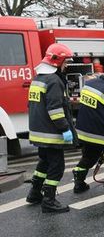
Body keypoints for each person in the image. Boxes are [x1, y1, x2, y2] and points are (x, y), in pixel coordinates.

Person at [26, 43, 76, 213]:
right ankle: (49, 200)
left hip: (38, 132)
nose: (66, 65)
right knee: (57, 166)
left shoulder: (38, 78)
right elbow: (55, 110)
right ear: (57, 61)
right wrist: (64, 129)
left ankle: (34, 193)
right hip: (51, 133)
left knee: (44, 162)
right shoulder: (54, 81)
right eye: (65, 62)